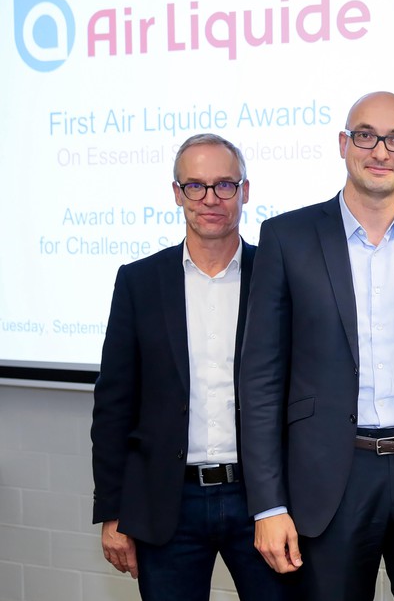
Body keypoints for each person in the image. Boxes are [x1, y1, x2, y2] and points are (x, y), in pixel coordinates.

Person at [238, 91, 394, 600]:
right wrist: (268, 505)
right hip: (328, 482)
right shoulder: (287, 238)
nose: (381, 151)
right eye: (366, 135)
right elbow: (261, 381)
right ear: (343, 144)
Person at [91, 133, 290, 600]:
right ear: (176, 194)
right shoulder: (139, 282)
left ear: (245, 190)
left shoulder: (278, 277)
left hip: (262, 502)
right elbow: (114, 404)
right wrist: (113, 511)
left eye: (224, 185)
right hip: (168, 505)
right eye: (195, 186)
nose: (210, 199)